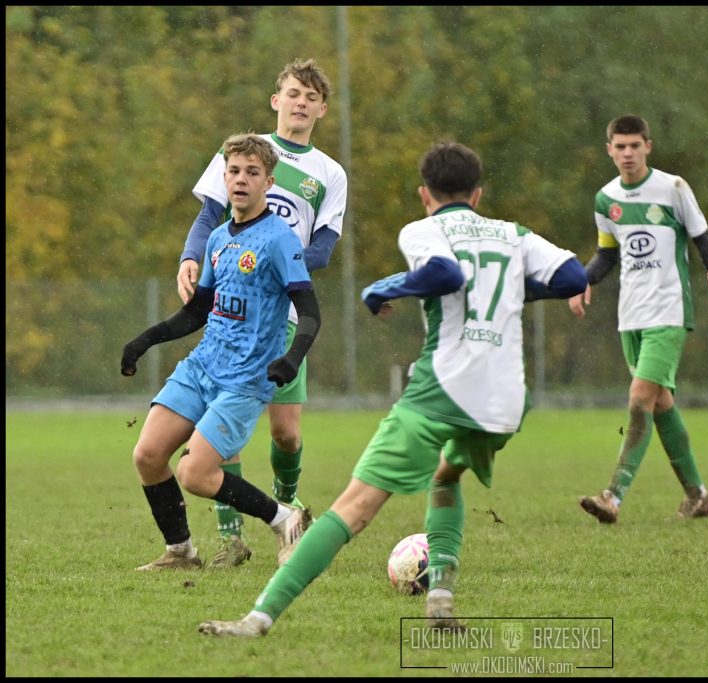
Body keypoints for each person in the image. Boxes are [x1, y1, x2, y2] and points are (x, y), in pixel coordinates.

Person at [197, 141, 587, 637]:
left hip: (443, 390)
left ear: (425, 194)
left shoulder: (423, 229)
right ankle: (440, 601)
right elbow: (574, 276)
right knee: (446, 476)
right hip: (507, 401)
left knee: (353, 506)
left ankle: (256, 620)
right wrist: (511, 287)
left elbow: (445, 272)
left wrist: (387, 287)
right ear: (478, 194)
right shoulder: (513, 234)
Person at [176, 58, 348, 567]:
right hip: (233, 317)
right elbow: (208, 215)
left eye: (311, 97)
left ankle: (288, 505)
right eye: (293, 93)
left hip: (284, 317)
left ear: (321, 109)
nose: (300, 103)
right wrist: (190, 256)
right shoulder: (242, 152)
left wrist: (278, 267)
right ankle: (232, 539)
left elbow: (324, 248)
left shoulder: (329, 173)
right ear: (276, 100)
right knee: (222, 426)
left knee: (285, 433)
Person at [122, 133, 321, 570]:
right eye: (234, 171)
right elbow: (197, 312)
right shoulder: (216, 238)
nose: (241, 179)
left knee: (195, 473)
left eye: (252, 172)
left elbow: (309, 312)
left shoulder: (279, 239)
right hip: (202, 366)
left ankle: (285, 518)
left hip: (245, 379)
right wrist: (145, 340)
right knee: (148, 455)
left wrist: (292, 358)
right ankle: (181, 552)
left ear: (268, 182)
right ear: (225, 177)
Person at [572, 115, 708, 524]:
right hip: (631, 316)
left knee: (639, 397)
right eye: (620, 146)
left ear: (648, 146)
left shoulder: (673, 188)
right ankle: (698, 495)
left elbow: (704, 244)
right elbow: (607, 254)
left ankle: (612, 496)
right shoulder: (605, 199)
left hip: (668, 310)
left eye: (634, 145)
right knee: (660, 403)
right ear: (609, 150)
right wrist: (582, 280)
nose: (627, 153)